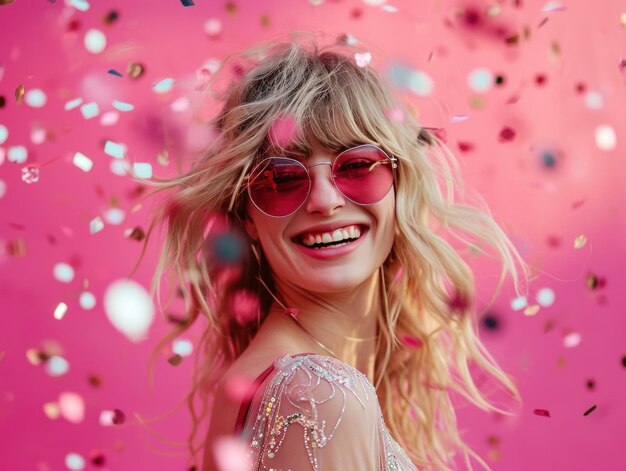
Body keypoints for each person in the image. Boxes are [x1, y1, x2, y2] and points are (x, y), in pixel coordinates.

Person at [136, 35, 527, 471]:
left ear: (399, 186)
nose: (324, 200)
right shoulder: (317, 395)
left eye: (358, 165)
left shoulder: (278, 379)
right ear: (246, 215)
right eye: (281, 179)